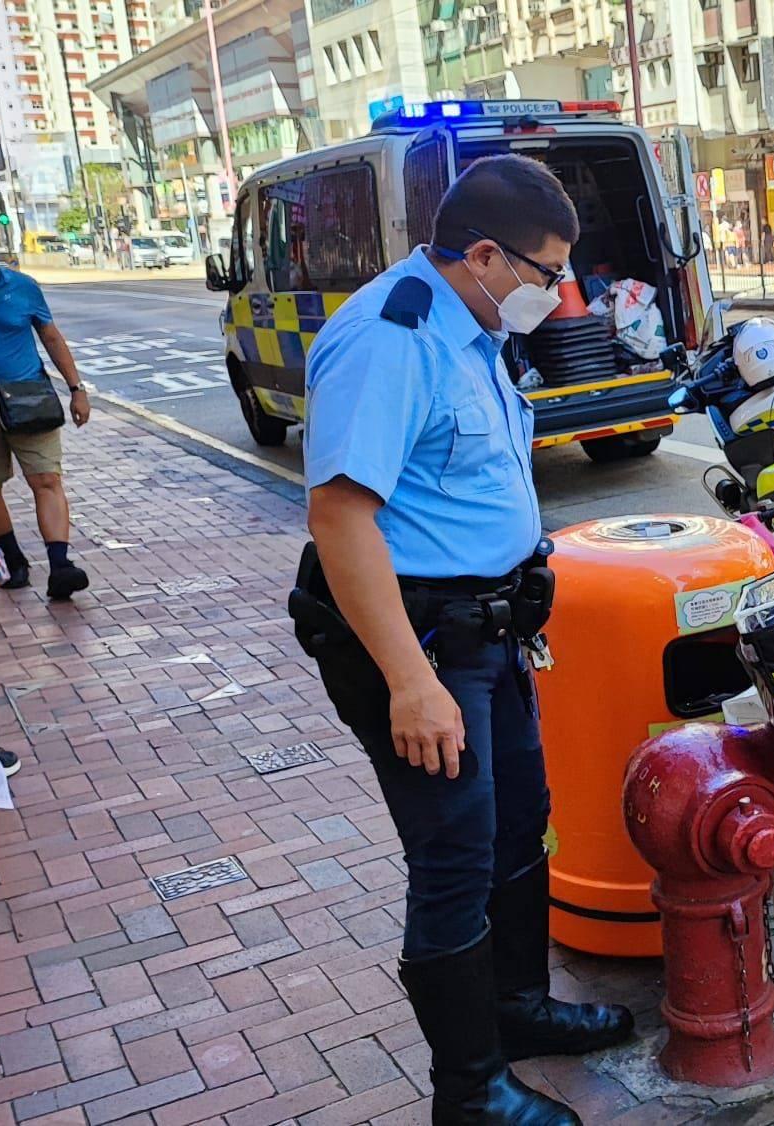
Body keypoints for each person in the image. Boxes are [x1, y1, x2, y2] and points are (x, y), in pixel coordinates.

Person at [294, 156, 632, 1125]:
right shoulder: (390, 336)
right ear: (483, 254)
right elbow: (341, 519)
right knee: (453, 852)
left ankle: (516, 1010)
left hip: (488, 634)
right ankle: (470, 1091)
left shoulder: (471, 321)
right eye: (544, 273)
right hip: (420, 645)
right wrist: (409, 681)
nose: (555, 294)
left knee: (518, 824)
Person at [0, 243, 92, 600]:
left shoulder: (22, 287)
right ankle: (14, 559)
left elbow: (51, 337)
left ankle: (60, 565)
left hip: (28, 396)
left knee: (47, 479)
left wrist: (77, 388)